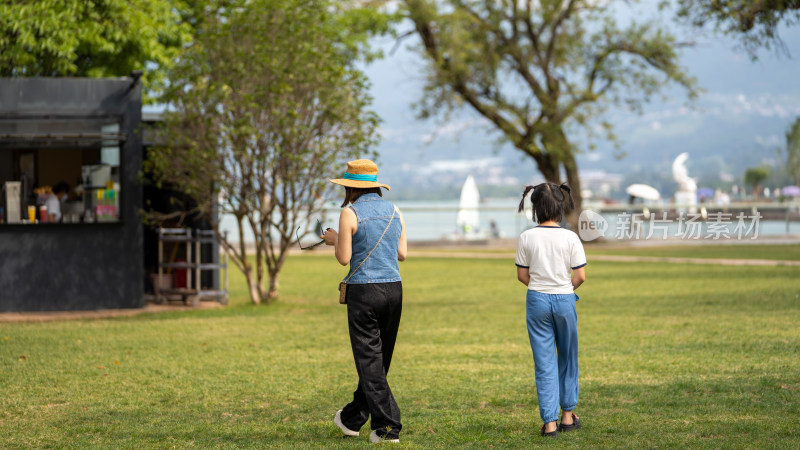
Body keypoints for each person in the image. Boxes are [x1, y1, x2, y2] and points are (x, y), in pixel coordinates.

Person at [322, 159, 407, 444]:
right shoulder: (395, 210)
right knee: (379, 361)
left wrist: (335, 239)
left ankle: (387, 429)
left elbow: (344, 258)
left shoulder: (349, 213)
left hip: (364, 291)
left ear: (350, 186)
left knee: (370, 361)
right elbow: (402, 253)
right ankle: (352, 418)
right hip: (394, 289)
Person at [515, 182, 587, 438]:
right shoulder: (570, 237)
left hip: (537, 300)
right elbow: (580, 275)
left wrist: (540, 287)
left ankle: (550, 423)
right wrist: (565, 289)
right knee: (567, 357)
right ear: (559, 206)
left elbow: (522, 276)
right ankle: (568, 416)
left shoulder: (526, 237)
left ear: (535, 207)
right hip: (565, 299)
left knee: (544, 363)